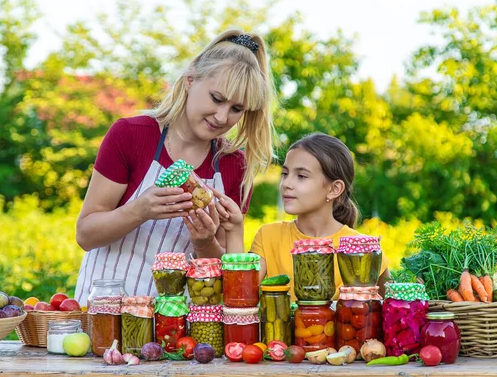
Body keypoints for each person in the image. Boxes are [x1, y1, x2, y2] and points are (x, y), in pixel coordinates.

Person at [73, 30, 275, 304]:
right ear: (190, 79)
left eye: (236, 109)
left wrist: (204, 243)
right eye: (216, 99)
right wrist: (139, 210)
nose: (222, 117)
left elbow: (224, 272)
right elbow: (86, 234)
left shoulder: (233, 164)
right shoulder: (131, 135)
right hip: (107, 315)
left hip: (180, 331)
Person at [221, 132, 391, 300]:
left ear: (334, 189)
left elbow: (390, 307)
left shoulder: (364, 249)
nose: (286, 184)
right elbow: (240, 297)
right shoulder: (268, 237)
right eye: (285, 174)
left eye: (301, 176)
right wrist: (234, 230)